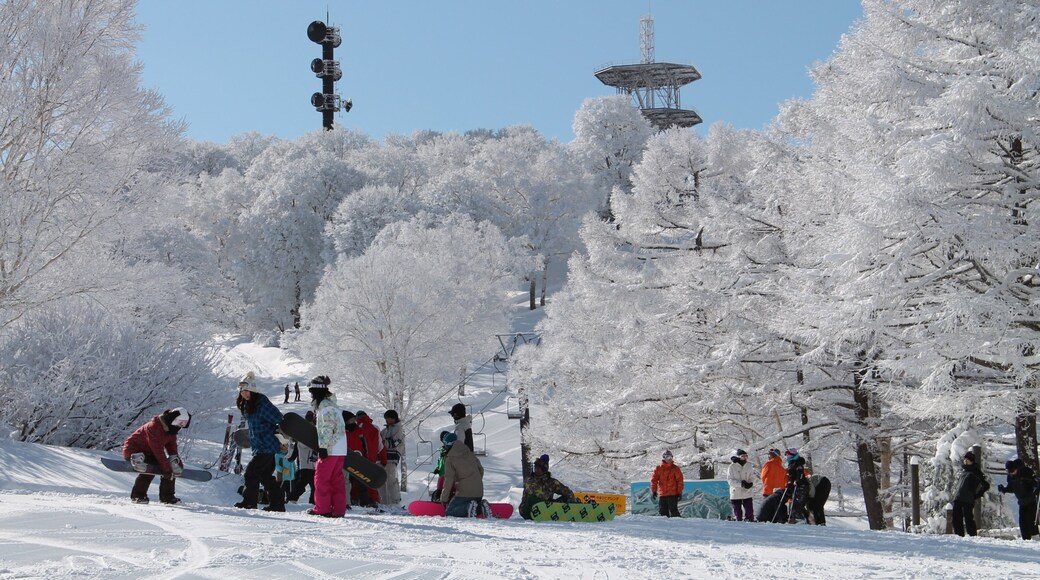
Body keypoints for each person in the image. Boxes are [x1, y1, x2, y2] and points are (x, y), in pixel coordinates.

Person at [235, 372, 285, 512]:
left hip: (267, 446)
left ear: (252, 390)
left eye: (246, 391)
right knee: (265, 476)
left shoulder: (261, 403)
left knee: (251, 473)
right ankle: (277, 504)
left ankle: (249, 502)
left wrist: (280, 435)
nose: (244, 394)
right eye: (242, 391)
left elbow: (278, 418)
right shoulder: (249, 405)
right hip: (260, 447)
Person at [122, 408, 191, 504]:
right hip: (134, 451)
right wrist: (166, 468)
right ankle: (138, 496)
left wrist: (176, 463)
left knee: (171, 467)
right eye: (180, 422)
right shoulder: (154, 427)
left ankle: (167, 498)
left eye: (183, 424)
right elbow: (157, 449)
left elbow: (172, 449)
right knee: (149, 469)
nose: (181, 426)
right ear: (173, 419)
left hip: (150, 453)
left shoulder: (171, 430)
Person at [308, 375, 348, 517]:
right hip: (340, 448)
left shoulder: (325, 406)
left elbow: (327, 427)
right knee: (336, 480)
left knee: (322, 478)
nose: (311, 395)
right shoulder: (334, 405)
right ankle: (338, 510)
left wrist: (323, 447)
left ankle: (323, 508)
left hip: (330, 448)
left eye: (311, 391)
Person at [440, 433, 488, 517]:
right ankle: (481, 508)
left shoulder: (450, 458)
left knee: (450, 512)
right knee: (474, 502)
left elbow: (448, 480)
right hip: (479, 491)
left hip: (464, 493)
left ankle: (468, 507)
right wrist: (475, 480)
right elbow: (481, 470)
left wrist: (444, 498)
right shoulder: (470, 454)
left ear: (449, 445)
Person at [519, 454, 578, 520]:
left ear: (544, 469)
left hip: (546, 510)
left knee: (566, 497)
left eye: (539, 468)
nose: (536, 469)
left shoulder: (551, 482)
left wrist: (571, 501)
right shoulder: (529, 480)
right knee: (532, 498)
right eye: (535, 467)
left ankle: (575, 510)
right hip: (529, 510)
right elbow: (538, 495)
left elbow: (567, 491)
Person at [998, 458, 1038, 540]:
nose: (1011, 473)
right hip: (1022, 502)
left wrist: (1037, 488)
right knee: (1022, 522)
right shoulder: (1010, 476)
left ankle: (1035, 538)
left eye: (1012, 471)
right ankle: (1026, 539)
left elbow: (1035, 482)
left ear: (1016, 468)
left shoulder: (1025, 473)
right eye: (1009, 472)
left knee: (1031, 520)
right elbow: (1011, 488)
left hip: (1031, 500)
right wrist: (1004, 489)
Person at [952, 450, 990, 537]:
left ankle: (972, 535)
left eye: (967, 460)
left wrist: (977, 495)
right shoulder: (963, 472)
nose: (965, 461)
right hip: (958, 498)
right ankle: (959, 535)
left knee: (968, 518)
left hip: (968, 499)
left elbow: (986, 485)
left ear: (972, 461)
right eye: (965, 459)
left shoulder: (976, 472)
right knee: (956, 518)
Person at [286, 413, 317, 504]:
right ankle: (292, 498)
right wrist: (292, 457)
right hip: (304, 463)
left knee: (314, 484)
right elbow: (296, 448)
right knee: (302, 482)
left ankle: (313, 501)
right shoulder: (301, 435)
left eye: (311, 422)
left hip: (314, 463)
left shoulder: (316, 433)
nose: (310, 425)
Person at [355, 410, 383, 506]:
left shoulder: (357, 428)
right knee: (371, 480)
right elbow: (381, 446)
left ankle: (359, 500)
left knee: (359, 480)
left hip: (360, 459)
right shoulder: (375, 428)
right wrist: (383, 460)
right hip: (372, 459)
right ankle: (374, 500)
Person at [380, 410, 404, 505]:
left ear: (393, 418)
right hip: (383, 458)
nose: (386, 420)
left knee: (391, 480)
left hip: (392, 457)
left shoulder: (398, 429)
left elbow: (397, 442)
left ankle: (395, 502)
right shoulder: (385, 430)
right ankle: (384, 502)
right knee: (382, 481)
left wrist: (384, 443)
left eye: (388, 418)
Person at [651, 450, 684, 518]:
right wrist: (654, 490)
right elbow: (654, 480)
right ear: (663, 458)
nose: (669, 459)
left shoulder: (675, 468)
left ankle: (678, 525)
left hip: (673, 494)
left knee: (674, 511)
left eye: (670, 457)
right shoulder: (658, 468)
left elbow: (680, 481)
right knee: (663, 512)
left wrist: (679, 492)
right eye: (667, 457)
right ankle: (664, 527)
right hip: (663, 494)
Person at [727, 449, 756, 522]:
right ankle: (738, 522)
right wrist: (740, 484)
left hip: (747, 491)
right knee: (737, 512)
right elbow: (730, 480)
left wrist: (750, 483)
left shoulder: (749, 465)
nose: (745, 458)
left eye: (746, 456)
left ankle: (750, 520)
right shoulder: (732, 466)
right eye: (743, 456)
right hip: (736, 492)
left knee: (749, 511)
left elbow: (752, 476)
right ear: (738, 457)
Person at [784, 448, 810, 524]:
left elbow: (800, 473)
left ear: (792, 455)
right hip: (795, 486)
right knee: (792, 503)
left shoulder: (798, 463)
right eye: (786, 455)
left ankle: (800, 519)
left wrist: (797, 480)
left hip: (801, 486)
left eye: (788, 455)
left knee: (797, 503)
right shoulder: (791, 463)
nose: (787, 456)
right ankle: (794, 518)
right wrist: (789, 482)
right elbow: (791, 476)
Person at [430, 431, 453, 502]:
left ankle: (445, 499)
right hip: (442, 473)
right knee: (440, 487)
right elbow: (440, 461)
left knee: (445, 488)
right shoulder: (443, 450)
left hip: (449, 474)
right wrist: (438, 468)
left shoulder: (451, 449)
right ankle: (437, 499)